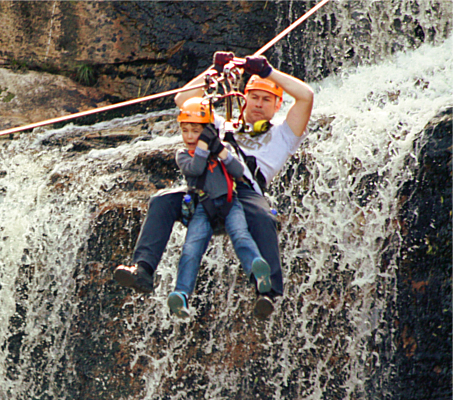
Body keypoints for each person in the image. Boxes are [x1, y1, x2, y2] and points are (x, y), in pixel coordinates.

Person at [114, 52, 314, 320]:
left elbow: (306, 97)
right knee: (161, 201)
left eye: (266, 99)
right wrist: (214, 71)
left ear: (278, 105)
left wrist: (267, 72)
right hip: (205, 191)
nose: (258, 104)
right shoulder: (221, 124)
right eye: (254, 96)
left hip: (244, 193)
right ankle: (143, 270)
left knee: (263, 216)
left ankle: (268, 291)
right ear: (244, 97)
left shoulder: (283, 134)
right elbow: (183, 99)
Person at [166, 97, 272, 318]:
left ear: (207, 130)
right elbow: (195, 169)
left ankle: (257, 270)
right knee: (190, 249)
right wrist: (204, 146)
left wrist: (220, 150)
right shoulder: (184, 155)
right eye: (185, 131)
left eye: (195, 132)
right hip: (203, 209)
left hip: (230, 204)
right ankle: (181, 294)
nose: (189, 137)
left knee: (241, 236)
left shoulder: (221, 150)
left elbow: (237, 171)